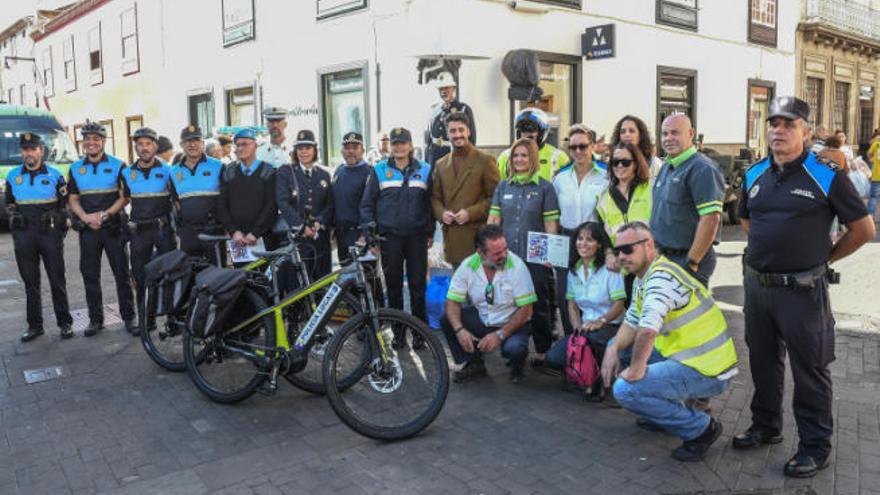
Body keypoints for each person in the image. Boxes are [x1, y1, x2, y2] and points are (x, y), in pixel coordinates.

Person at [734, 96, 875, 478]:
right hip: (759, 289)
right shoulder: (754, 174)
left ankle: (815, 446)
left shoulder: (826, 174)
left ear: (806, 132)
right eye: (774, 123)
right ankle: (766, 426)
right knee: (762, 362)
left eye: (789, 124)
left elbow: (864, 230)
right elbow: (748, 221)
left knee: (810, 370)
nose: (779, 130)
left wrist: (822, 258)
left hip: (802, 292)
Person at [601, 221, 737, 462]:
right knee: (622, 351)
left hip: (708, 369)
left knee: (626, 390)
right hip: (692, 357)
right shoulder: (646, 275)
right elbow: (632, 320)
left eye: (628, 249)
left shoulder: (660, 279)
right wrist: (612, 347)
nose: (622, 256)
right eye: (618, 250)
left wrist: (636, 370)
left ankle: (701, 429)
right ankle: (663, 413)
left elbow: (646, 331)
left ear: (649, 245)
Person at [360, 127, 434, 349]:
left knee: (417, 286)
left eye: (403, 143)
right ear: (390, 146)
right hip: (389, 238)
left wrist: (430, 232)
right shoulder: (379, 170)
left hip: (417, 237)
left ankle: (420, 333)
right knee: (393, 287)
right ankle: (399, 333)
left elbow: (431, 204)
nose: (399, 147)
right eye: (395, 143)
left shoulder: (426, 170)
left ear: (411, 146)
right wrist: (370, 236)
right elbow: (367, 205)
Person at [488, 137, 559, 367]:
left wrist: (551, 255)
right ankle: (514, 348)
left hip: (535, 258)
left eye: (524, 155)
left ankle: (542, 349)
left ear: (533, 158)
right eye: (515, 155)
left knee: (539, 304)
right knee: (510, 302)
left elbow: (550, 225)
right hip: (508, 257)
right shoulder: (503, 186)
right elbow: (494, 220)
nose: (519, 159)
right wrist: (485, 249)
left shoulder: (545, 187)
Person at [441, 224, 535, 383]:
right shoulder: (467, 266)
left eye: (505, 249)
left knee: (515, 349)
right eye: (497, 253)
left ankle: (517, 366)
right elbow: (452, 302)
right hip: (484, 319)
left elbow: (527, 311)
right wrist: (459, 330)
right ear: (480, 253)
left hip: (512, 323)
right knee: (447, 319)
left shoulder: (517, 266)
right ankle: (474, 363)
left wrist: (499, 335)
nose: (504, 255)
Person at [67, 121, 136, 336]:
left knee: (122, 273)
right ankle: (95, 320)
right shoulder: (76, 168)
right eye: (87, 138)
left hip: (113, 228)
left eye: (96, 139)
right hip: (89, 230)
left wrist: (105, 215)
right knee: (90, 274)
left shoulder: (118, 165)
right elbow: (72, 199)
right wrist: (85, 217)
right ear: (83, 142)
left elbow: (125, 197)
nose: (91, 142)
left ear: (103, 142)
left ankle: (128, 317)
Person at [544, 222, 625, 397]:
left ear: (600, 244)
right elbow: (572, 304)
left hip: (611, 326)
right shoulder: (574, 270)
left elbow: (620, 304)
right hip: (586, 328)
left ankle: (598, 383)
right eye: (580, 239)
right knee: (553, 358)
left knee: (591, 341)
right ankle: (585, 374)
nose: (583, 243)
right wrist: (577, 327)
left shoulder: (610, 270)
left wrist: (601, 321)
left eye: (590, 240)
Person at [6, 132, 74, 342]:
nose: (29, 153)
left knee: (57, 280)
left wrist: (59, 225)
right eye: (25, 149)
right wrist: (14, 219)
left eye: (33, 149)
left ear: (41, 151)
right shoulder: (13, 176)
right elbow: (9, 204)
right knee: (30, 282)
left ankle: (65, 324)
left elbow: (65, 207)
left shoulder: (54, 175)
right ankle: (35, 326)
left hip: (49, 235)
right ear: (22, 152)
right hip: (25, 235)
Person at [650, 114, 724, 287]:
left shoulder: (702, 168)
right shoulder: (667, 166)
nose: (668, 138)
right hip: (664, 259)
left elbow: (711, 218)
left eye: (675, 133)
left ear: (691, 133)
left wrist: (692, 261)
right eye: (664, 133)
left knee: (687, 314)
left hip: (686, 260)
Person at [552, 125, 607, 336]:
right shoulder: (560, 178)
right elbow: (553, 215)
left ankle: (595, 342)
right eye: (572, 147)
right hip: (566, 238)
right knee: (566, 294)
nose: (577, 151)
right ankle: (572, 342)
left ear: (592, 146)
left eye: (583, 146)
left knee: (596, 292)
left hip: (595, 240)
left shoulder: (605, 175)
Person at [120, 128, 176, 334]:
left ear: (155, 146)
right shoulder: (126, 173)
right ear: (135, 147)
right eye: (140, 144)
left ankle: (173, 319)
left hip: (163, 232)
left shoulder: (169, 171)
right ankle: (147, 319)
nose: (144, 148)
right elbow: (123, 199)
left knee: (170, 274)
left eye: (148, 144)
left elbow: (177, 201)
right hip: (139, 234)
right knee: (140, 277)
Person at [431, 112, 499, 268]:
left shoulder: (485, 161)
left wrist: (471, 213)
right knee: (459, 289)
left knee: (481, 288)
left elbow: (496, 199)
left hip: (477, 238)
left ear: (468, 131)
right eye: (453, 131)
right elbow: (435, 198)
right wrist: (441, 213)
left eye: (461, 129)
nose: (457, 134)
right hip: (453, 239)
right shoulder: (441, 164)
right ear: (447, 134)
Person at [276, 129, 332, 278]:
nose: (304, 152)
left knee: (322, 278)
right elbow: (282, 202)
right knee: (299, 281)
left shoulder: (324, 174)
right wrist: (301, 226)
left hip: (320, 237)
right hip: (297, 238)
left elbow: (330, 204)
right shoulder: (286, 172)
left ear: (315, 150)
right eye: (300, 148)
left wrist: (320, 222)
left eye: (308, 148)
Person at [217, 128, 278, 252]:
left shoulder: (268, 171)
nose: (240, 148)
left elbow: (271, 205)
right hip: (237, 240)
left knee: (265, 271)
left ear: (255, 146)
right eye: (237, 145)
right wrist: (234, 232)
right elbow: (221, 205)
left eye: (244, 144)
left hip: (263, 237)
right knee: (240, 272)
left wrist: (255, 232)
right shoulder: (229, 172)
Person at [170, 125, 224, 259]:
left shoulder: (218, 166)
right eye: (188, 141)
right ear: (181, 144)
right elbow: (175, 200)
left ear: (203, 143)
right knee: (191, 273)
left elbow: (227, 197)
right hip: (188, 233)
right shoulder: (174, 171)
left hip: (214, 231)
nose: (192, 144)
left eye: (196, 140)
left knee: (217, 274)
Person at [331, 132, 373, 264]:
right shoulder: (339, 171)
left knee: (365, 278)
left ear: (363, 150)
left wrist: (365, 235)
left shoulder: (370, 173)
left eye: (355, 148)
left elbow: (373, 206)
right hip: (341, 234)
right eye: (347, 148)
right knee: (345, 276)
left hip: (360, 234)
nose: (350, 151)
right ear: (342, 151)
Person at [497, 108, 569, 181]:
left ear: (542, 133)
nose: (527, 133)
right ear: (518, 133)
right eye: (523, 129)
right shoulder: (506, 157)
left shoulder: (559, 157)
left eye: (532, 129)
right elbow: (497, 187)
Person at [424, 72, 476, 165]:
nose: (444, 91)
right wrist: (427, 159)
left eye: (447, 88)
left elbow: (471, 138)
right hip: (435, 155)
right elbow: (428, 139)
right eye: (441, 89)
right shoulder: (435, 110)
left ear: (454, 89)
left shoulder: (463, 109)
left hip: (453, 153)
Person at [610, 115, 663, 180]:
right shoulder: (614, 162)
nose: (627, 135)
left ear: (640, 135)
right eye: (623, 132)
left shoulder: (654, 164)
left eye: (631, 131)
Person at [867, 129, 880, 220]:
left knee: (873, 196)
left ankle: (871, 215)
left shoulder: (876, 145)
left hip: (877, 175)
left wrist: (872, 158)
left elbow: (869, 154)